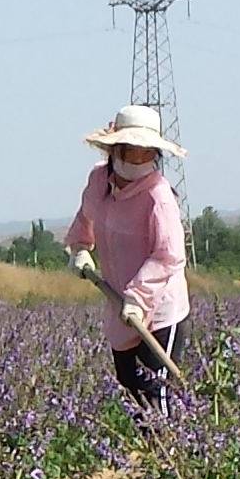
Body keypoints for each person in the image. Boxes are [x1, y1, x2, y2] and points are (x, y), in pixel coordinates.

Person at [62, 104, 188, 403]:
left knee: (157, 395)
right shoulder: (99, 181)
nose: (139, 160)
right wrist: (80, 248)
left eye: (147, 153)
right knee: (130, 389)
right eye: (132, 151)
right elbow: (86, 217)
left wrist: (138, 297)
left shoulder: (158, 196)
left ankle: (166, 450)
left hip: (159, 310)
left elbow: (168, 255)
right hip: (118, 305)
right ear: (115, 150)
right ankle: (140, 448)